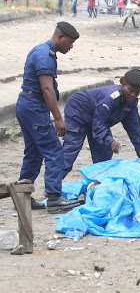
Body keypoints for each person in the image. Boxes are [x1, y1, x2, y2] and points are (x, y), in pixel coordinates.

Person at [16, 22, 81, 213]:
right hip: (34, 107)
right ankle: (54, 197)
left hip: (27, 104)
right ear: (60, 38)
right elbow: (47, 89)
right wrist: (58, 118)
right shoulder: (46, 56)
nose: (71, 46)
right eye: (70, 42)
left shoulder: (41, 50)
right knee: (54, 151)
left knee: (34, 152)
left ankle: (23, 197)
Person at [62, 69, 140, 179]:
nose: (133, 95)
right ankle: (53, 189)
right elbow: (99, 124)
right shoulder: (110, 98)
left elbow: (134, 127)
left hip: (97, 118)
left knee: (104, 151)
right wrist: (110, 141)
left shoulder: (131, 103)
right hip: (78, 109)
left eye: (137, 93)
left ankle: (99, 183)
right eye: (130, 90)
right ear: (122, 82)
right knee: (72, 147)